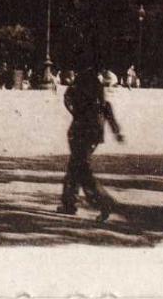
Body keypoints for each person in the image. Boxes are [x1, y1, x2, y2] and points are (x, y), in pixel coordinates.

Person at [59, 65, 124, 222]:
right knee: (75, 167)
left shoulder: (82, 88)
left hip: (80, 134)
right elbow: (108, 113)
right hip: (92, 137)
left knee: (82, 170)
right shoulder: (99, 98)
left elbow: (68, 100)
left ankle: (103, 203)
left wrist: (75, 111)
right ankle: (69, 203)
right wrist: (117, 133)